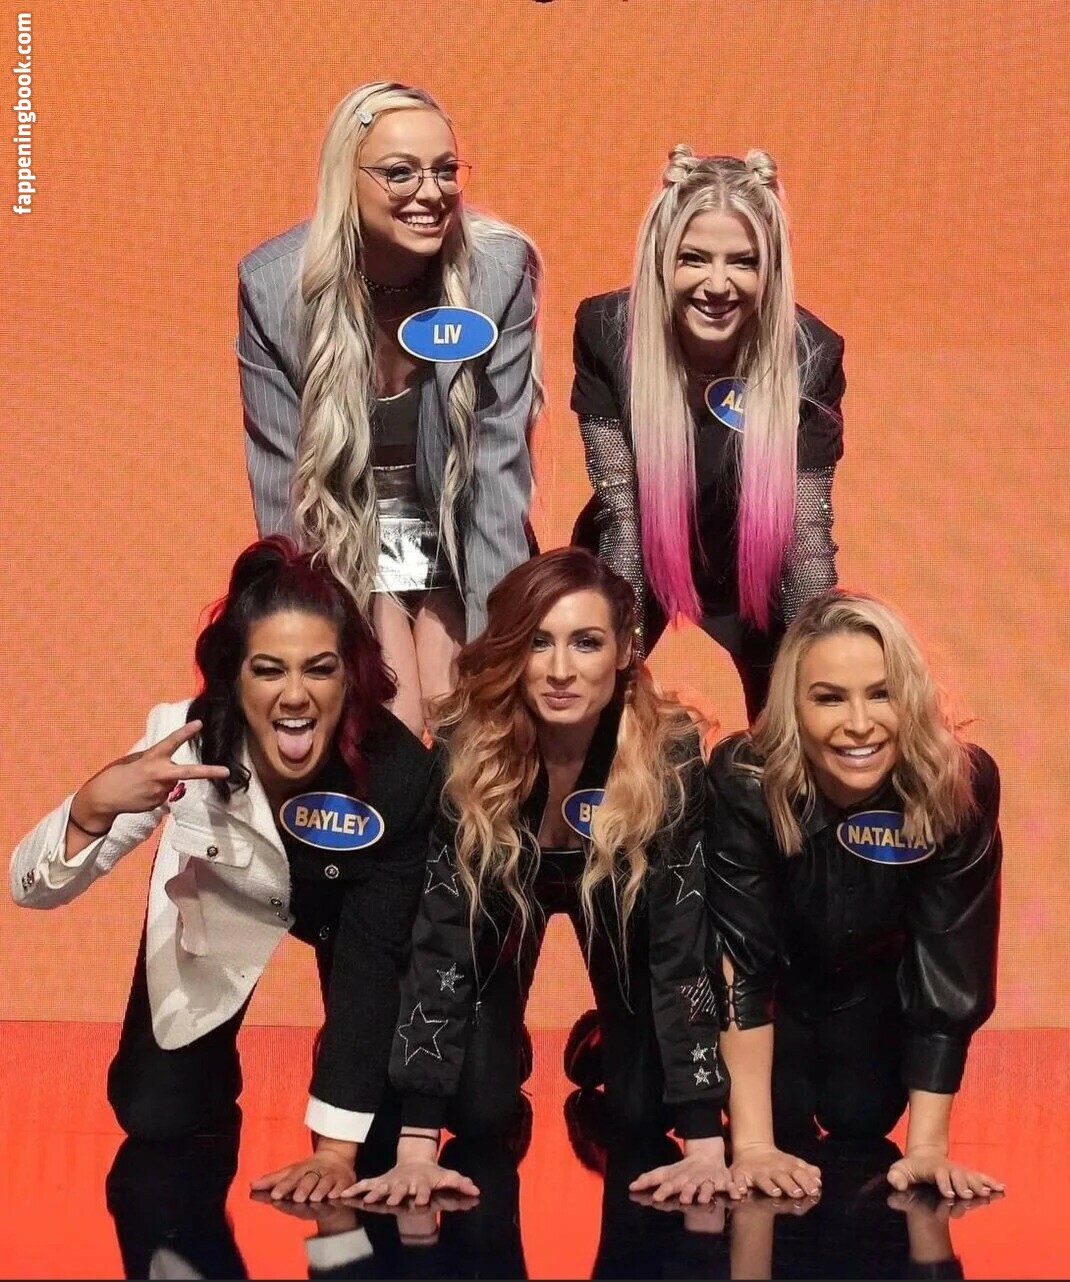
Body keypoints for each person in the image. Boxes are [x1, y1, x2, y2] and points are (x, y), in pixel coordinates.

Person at [9, 536, 439, 1200]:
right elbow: (29, 892)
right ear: (235, 678)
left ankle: (348, 1066)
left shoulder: (400, 776)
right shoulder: (184, 739)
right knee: (155, 1113)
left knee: (376, 1123)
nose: (294, 695)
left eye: (319, 669)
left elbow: (373, 958)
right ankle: (209, 1059)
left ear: (350, 677)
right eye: (268, 670)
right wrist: (91, 808)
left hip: (354, 922)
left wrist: (333, 1153)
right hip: (227, 910)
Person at [343, 547, 737, 1206]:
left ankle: (600, 1038)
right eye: (538, 642)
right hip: (504, 902)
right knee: (479, 1112)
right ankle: (504, 1042)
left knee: (644, 1111)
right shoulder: (468, 746)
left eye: (586, 643)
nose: (559, 670)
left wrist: (704, 1144)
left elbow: (681, 944)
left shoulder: (667, 754)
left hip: (618, 905)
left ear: (624, 650)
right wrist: (415, 1148)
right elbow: (442, 936)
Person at [238, 80, 543, 737]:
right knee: (386, 725)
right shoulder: (273, 288)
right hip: (343, 536)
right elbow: (286, 493)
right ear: (345, 179)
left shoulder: (499, 272)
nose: (431, 192)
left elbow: (497, 477)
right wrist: (333, 647)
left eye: (445, 170)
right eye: (400, 173)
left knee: (463, 713)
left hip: (458, 532)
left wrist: (495, 651)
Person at [705, 590, 1005, 1199]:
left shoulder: (960, 782)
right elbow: (741, 962)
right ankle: (607, 1042)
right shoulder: (745, 778)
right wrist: (754, 1146)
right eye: (829, 698)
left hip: (869, 993)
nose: (861, 724)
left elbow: (951, 963)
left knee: (860, 1115)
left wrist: (927, 1149)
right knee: (763, 1116)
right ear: (793, 705)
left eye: (882, 693)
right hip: (774, 993)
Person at [571, 145, 845, 722]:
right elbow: (622, 512)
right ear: (661, 259)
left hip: (758, 562)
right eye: (693, 258)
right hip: (636, 541)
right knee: (591, 702)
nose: (717, 284)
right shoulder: (606, 332)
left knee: (800, 712)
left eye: (743, 262)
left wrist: (823, 660)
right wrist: (613, 654)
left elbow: (806, 534)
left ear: (770, 269)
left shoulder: (812, 355)